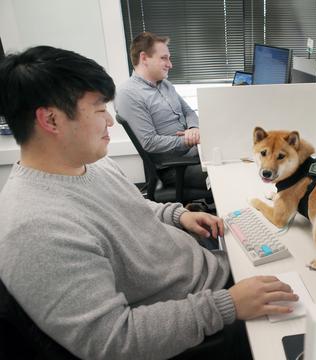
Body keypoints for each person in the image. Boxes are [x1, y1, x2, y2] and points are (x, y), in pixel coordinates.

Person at [0, 46, 297, 359]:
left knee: (297, 265)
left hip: (208, 276)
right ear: (51, 120)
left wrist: (175, 215)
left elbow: (131, 209)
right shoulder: (35, 230)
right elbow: (114, 340)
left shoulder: (90, 163)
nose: (111, 122)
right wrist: (227, 306)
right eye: (100, 110)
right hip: (205, 319)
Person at [115, 32, 206, 192]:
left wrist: (193, 130)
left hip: (196, 153)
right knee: (228, 175)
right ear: (144, 58)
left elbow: (189, 112)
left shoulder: (166, 84)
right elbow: (149, 142)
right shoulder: (128, 94)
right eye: (164, 58)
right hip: (176, 168)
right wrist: (187, 140)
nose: (170, 64)